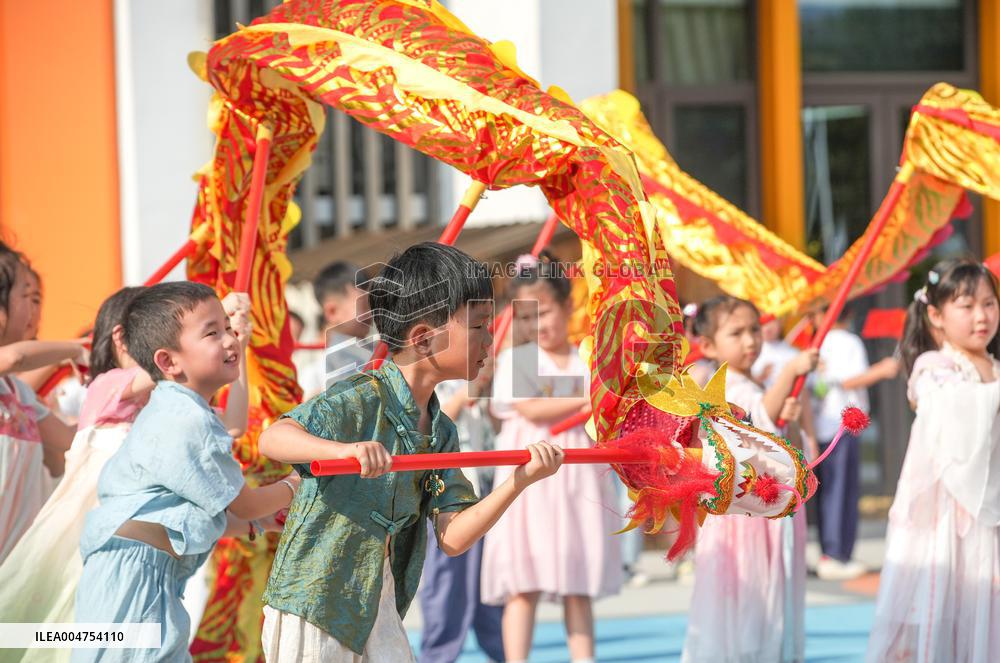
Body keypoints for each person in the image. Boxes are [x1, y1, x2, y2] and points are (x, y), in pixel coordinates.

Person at [258, 243, 564, 662]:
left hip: (377, 603)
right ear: (422, 339)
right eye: (477, 326)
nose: (490, 339)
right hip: (315, 602)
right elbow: (274, 437)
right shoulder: (362, 397)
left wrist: (518, 481)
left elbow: (453, 538)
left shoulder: (441, 431)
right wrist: (344, 450)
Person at [71, 282, 297, 663]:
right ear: (168, 362)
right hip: (134, 574)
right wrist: (297, 483)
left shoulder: (185, 412)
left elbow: (193, 516)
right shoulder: (184, 421)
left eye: (228, 328)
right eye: (213, 332)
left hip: (138, 570)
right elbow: (244, 504)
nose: (229, 340)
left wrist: (262, 524)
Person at [482, 252, 622, 663]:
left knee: (576, 582)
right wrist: (589, 399)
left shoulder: (587, 356)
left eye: (544, 313)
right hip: (529, 475)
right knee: (522, 583)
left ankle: (584, 658)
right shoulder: (517, 359)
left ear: (568, 307)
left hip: (576, 473)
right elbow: (530, 409)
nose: (536, 325)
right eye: (526, 317)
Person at [867, 259, 1000, 662]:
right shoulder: (933, 369)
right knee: (946, 603)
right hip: (947, 518)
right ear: (936, 316)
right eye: (967, 305)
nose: (982, 316)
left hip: (989, 513)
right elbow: (954, 415)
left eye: (990, 303)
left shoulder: (993, 369)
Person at [682, 295, 818, 663]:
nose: (750, 340)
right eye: (736, 333)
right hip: (743, 514)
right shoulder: (721, 386)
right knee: (748, 596)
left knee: (767, 593)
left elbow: (772, 429)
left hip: (761, 509)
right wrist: (790, 372)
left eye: (754, 330)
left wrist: (786, 412)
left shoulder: (748, 382)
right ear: (707, 344)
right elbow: (758, 419)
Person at [417, 359, 505, 663]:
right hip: (445, 494)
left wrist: (485, 391)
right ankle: (439, 654)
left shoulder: (483, 379)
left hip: (483, 486)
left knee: (489, 581)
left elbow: (497, 428)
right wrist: (464, 395)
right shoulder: (429, 377)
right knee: (446, 583)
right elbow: (432, 424)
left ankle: (500, 648)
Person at [0, 245, 82, 562]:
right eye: (27, 296)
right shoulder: (12, 371)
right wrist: (75, 349)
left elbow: (73, 440)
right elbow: (14, 357)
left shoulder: (19, 396)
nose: (36, 311)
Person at [808, 303, 899, 581]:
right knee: (842, 491)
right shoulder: (847, 341)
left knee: (830, 490)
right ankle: (837, 553)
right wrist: (883, 370)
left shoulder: (815, 343)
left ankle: (832, 552)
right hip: (843, 425)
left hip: (823, 424)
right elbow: (850, 381)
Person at [297, 261, 374, 398]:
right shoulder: (327, 365)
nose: (371, 312)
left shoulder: (376, 349)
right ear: (332, 312)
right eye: (363, 305)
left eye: (372, 304)